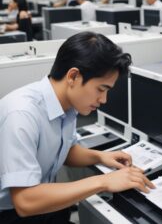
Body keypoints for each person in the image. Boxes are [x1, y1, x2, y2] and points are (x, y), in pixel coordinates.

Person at [0, 32, 154, 223]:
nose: (103, 100)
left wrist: (100, 157)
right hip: (11, 213)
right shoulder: (22, 115)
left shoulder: (67, 104)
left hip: (43, 201)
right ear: (73, 76)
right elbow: (25, 201)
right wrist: (103, 182)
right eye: (101, 89)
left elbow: (65, 151)